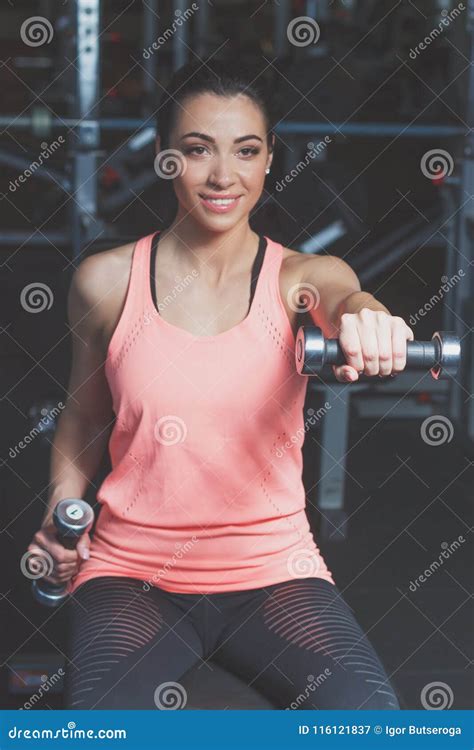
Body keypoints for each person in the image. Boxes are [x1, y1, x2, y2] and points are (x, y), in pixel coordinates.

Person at [27, 57, 411, 711]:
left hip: (273, 570)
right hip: (131, 571)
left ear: (268, 162)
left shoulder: (302, 280)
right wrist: (62, 515)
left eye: (247, 151)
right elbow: (87, 416)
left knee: (370, 725)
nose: (224, 175)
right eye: (198, 150)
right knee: (106, 733)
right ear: (166, 159)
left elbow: (345, 299)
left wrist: (369, 320)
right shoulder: (105, 282)